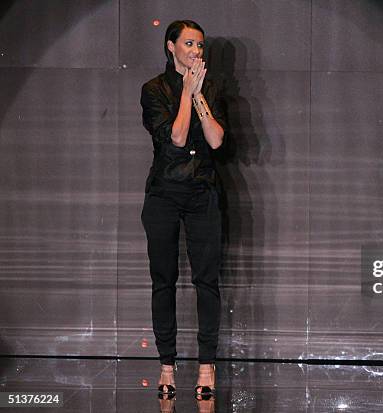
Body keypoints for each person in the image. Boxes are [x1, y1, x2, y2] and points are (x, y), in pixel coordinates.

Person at [140, 19, 226, 399]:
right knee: (164, 280)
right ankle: (167, 365)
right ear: (170, 46)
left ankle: (207, 367)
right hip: (164, 193)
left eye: (200, 46)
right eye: (189, 44)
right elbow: (175, 139)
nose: (196, 51)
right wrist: (186, 91)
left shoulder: (213, 87)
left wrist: (199, 94)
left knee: (206, 280)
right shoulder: (153, 89)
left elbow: (217, 139)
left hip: (202, 191)